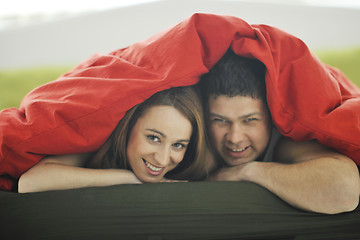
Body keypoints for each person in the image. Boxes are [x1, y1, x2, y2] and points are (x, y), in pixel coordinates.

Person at [197, 49, 360, 214]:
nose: (234, 137)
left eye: (250, 120)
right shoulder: (195, 138)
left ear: (271, 118)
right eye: (220, 121)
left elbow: (345, 190)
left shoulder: (285, 143)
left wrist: (247, 171)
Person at [18, 86, 206, 193]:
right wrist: (128, 178)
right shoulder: (97, 138)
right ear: (130, 125)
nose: (163, 159)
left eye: (178, 145)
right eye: (154, 138)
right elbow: (29, 183)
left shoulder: (192, 161)